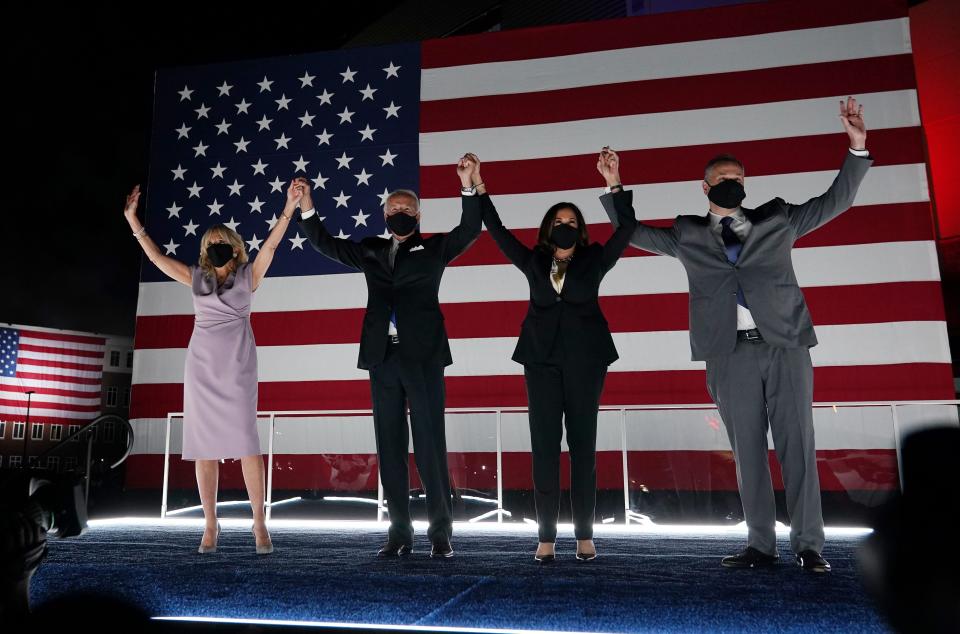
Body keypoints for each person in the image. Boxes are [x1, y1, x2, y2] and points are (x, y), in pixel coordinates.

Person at [598, 97, 871, 573]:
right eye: (724, 179)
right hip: (729, 354)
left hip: (785, 345)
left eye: (739, 180)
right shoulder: (687, 234)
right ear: (705, 186)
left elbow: (837, 201)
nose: (732, 185)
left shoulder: (777, 219)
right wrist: (615, 185)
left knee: (797, 446)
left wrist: (856, 145)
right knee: (747, 451)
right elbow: (632, 232)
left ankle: (809, 545)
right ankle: (761, 546)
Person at [293, 156, 482, 558]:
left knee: (430, 445)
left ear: (418, 214)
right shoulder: (371, 251)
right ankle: (399, 533)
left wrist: (468, 185)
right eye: (393, 209)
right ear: (384, 214)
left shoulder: (433, 250)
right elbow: (325, 243)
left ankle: (440, 534)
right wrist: (307, 206)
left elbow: (469, 230)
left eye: (406, 209)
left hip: (424, 359)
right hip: (382, 359)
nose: (399, 213)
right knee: (390, 447)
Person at [467, 152, 637, 562]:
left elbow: (627, 227)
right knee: (544, 448)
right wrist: (477, 184)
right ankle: (545, 536)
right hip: (540, 363)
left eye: (572, 223)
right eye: (558, 222)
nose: (565, 227)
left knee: (583, 448)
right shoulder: (533, 261)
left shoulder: (596, 258)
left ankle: (583, 535)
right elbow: (497, 229)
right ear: (548, 230)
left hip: (586, 362)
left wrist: (614, 182)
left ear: (581, 231)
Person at [123, 181, 300, 554]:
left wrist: (289, 208)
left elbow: (270, 245)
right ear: (204, 251)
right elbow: (156, 260)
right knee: (205, 448)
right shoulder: (197, 278)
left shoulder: (248, 276)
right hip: (201, 368)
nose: (214, 248)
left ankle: (259, 523)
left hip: (237, 368)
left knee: (247, 444)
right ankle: (209, 525)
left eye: (221, 242)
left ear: (235, 248)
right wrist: (133, 221)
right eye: (208, 244)